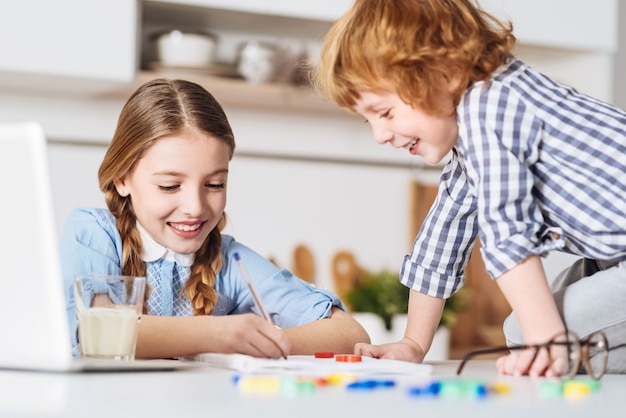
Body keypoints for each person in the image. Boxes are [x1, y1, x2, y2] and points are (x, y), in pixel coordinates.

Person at [313, 0, 626, 376]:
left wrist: (548, 341)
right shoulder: (471, 139)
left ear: (445, 71)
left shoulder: (492, 107)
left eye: (385, 113)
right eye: (369, 121)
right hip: (612, 257)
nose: (380, 135)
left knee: (548, 338)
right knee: (524, 331)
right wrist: (413, 343)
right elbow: (440, 241)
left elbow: (508, 235)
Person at [60, 78, 370, 359]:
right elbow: (94, 335)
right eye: (169, 186)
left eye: (214, 185)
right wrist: (217, 335)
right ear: (122, 179)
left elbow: (349, 334)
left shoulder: (229, 260)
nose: (195, 207)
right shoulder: (94, 234)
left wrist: (262, 341)